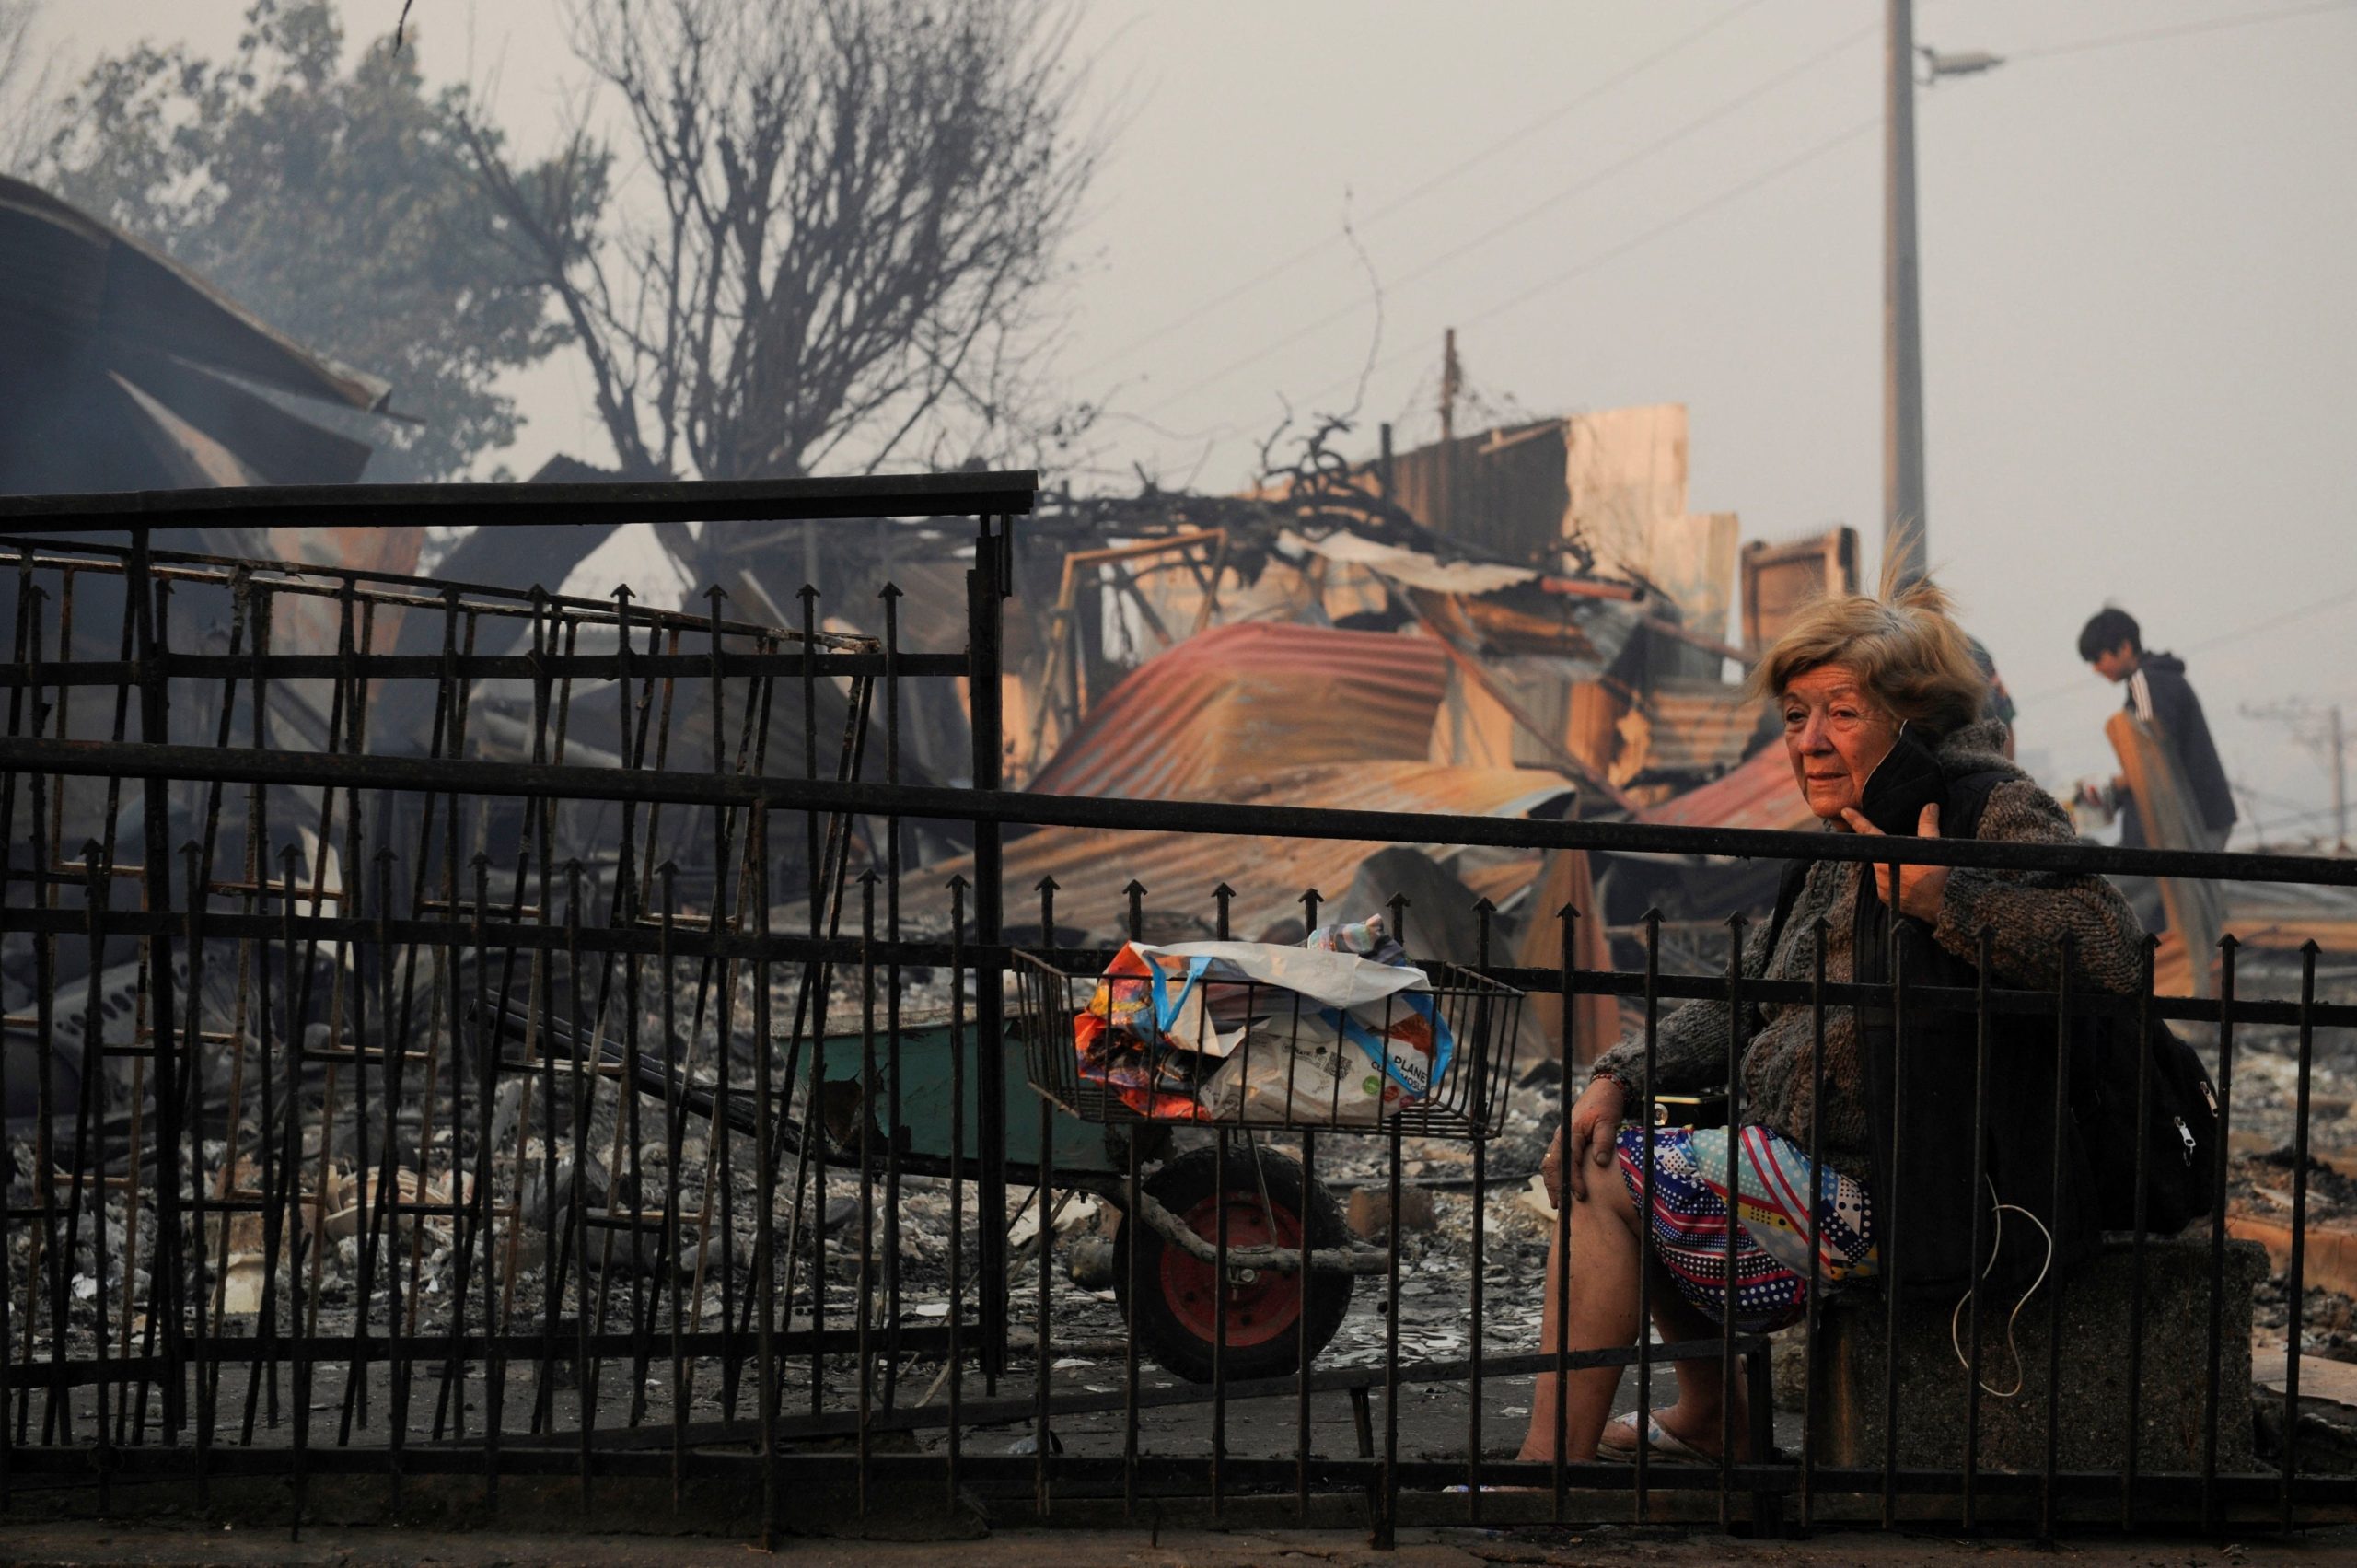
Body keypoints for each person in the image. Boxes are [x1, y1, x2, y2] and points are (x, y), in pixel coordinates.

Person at [1518, 575, 2145, 1467]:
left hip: (1905, 1191)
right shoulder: (1841, 833)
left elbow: (2111, 946)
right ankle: (1713, 1412)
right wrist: (1619, 1072)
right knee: (1608, 1139)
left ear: (1909, 716)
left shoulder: (1984, 805)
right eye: (1793, 715)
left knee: (1610, 1176)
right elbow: (1750, 993)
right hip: (1802, 1164)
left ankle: (1544, 1473)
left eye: (1840, 714)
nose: (1807, 741)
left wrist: (1942, 895)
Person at [2077, 607, 2235, 853]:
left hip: (2191, 819)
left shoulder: (2146, 683)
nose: (2096, 669)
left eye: (2098, 659)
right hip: (2204, 815)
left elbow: (2151, 760)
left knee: (2138, 885)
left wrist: (2114, 787)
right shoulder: (2161, 678)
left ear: (2125, 648)